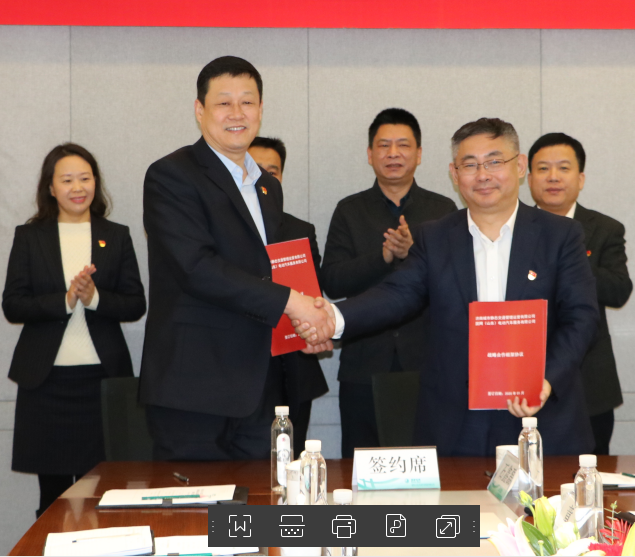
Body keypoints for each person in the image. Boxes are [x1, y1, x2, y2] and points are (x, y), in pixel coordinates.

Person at [297, 118, 599, 456]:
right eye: (470, 165)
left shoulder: (561, 235)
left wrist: (546, 379)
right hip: (455, 423)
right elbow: (396, 294)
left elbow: (581, 317)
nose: (482, 175)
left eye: (494, 162)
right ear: (455, 175)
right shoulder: (435, 236)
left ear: (519, 166)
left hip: (539, 416)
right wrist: (333, 319)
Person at [139, 56, 330, 461]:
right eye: (224, 103)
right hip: (195, 388)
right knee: (196, 503)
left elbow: (271, 273)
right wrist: (293, 303)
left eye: (248, 102)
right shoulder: (171, 175)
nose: (237, 113)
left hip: (260, 387)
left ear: (261, 109)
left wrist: (304, 326)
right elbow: (197, 269)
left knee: (262, 501)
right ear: (200, 110)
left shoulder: (266, 187)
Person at [2, 143, 146, 517]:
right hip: (45, 384)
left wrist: (94, 298)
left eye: (85, 178)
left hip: (101, 383)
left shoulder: (116, 235)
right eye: (67, 180)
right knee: (53, 501)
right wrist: (65, 301)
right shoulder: (30, 237)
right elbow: (13, 304)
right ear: (51, 188)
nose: (77, 187)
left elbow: (135, 303)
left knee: (102, 498)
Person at [320, 108, 457, 457]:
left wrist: (415, 253)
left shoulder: (443, 210)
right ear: (370, 154)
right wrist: (381, 257)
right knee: (361, 466)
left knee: (428, 464)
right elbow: (332, 281)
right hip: (364, 362)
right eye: (383, 145)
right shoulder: (349, 210)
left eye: (403, 145)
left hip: (428, 363)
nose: (393, 153)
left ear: (419, 154)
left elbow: (457, 284)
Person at [528, 132, 632, 456]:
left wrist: (569, 259)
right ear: (528, 178)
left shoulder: (605, 229)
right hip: (524, 375)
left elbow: (619, 290)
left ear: (581, 178)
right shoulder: (510, 228)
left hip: (589, 384)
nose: (553, 177)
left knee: (590, 474)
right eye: (543, 169)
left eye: (563, 168)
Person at [248, 136, 330, 450]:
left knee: (293, 457)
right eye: (256, 170)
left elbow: (313, 295)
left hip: (293, 366)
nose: (265, 178)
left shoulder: (300, 230)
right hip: (241, 367)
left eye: (273, 171)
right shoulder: (221, 231)